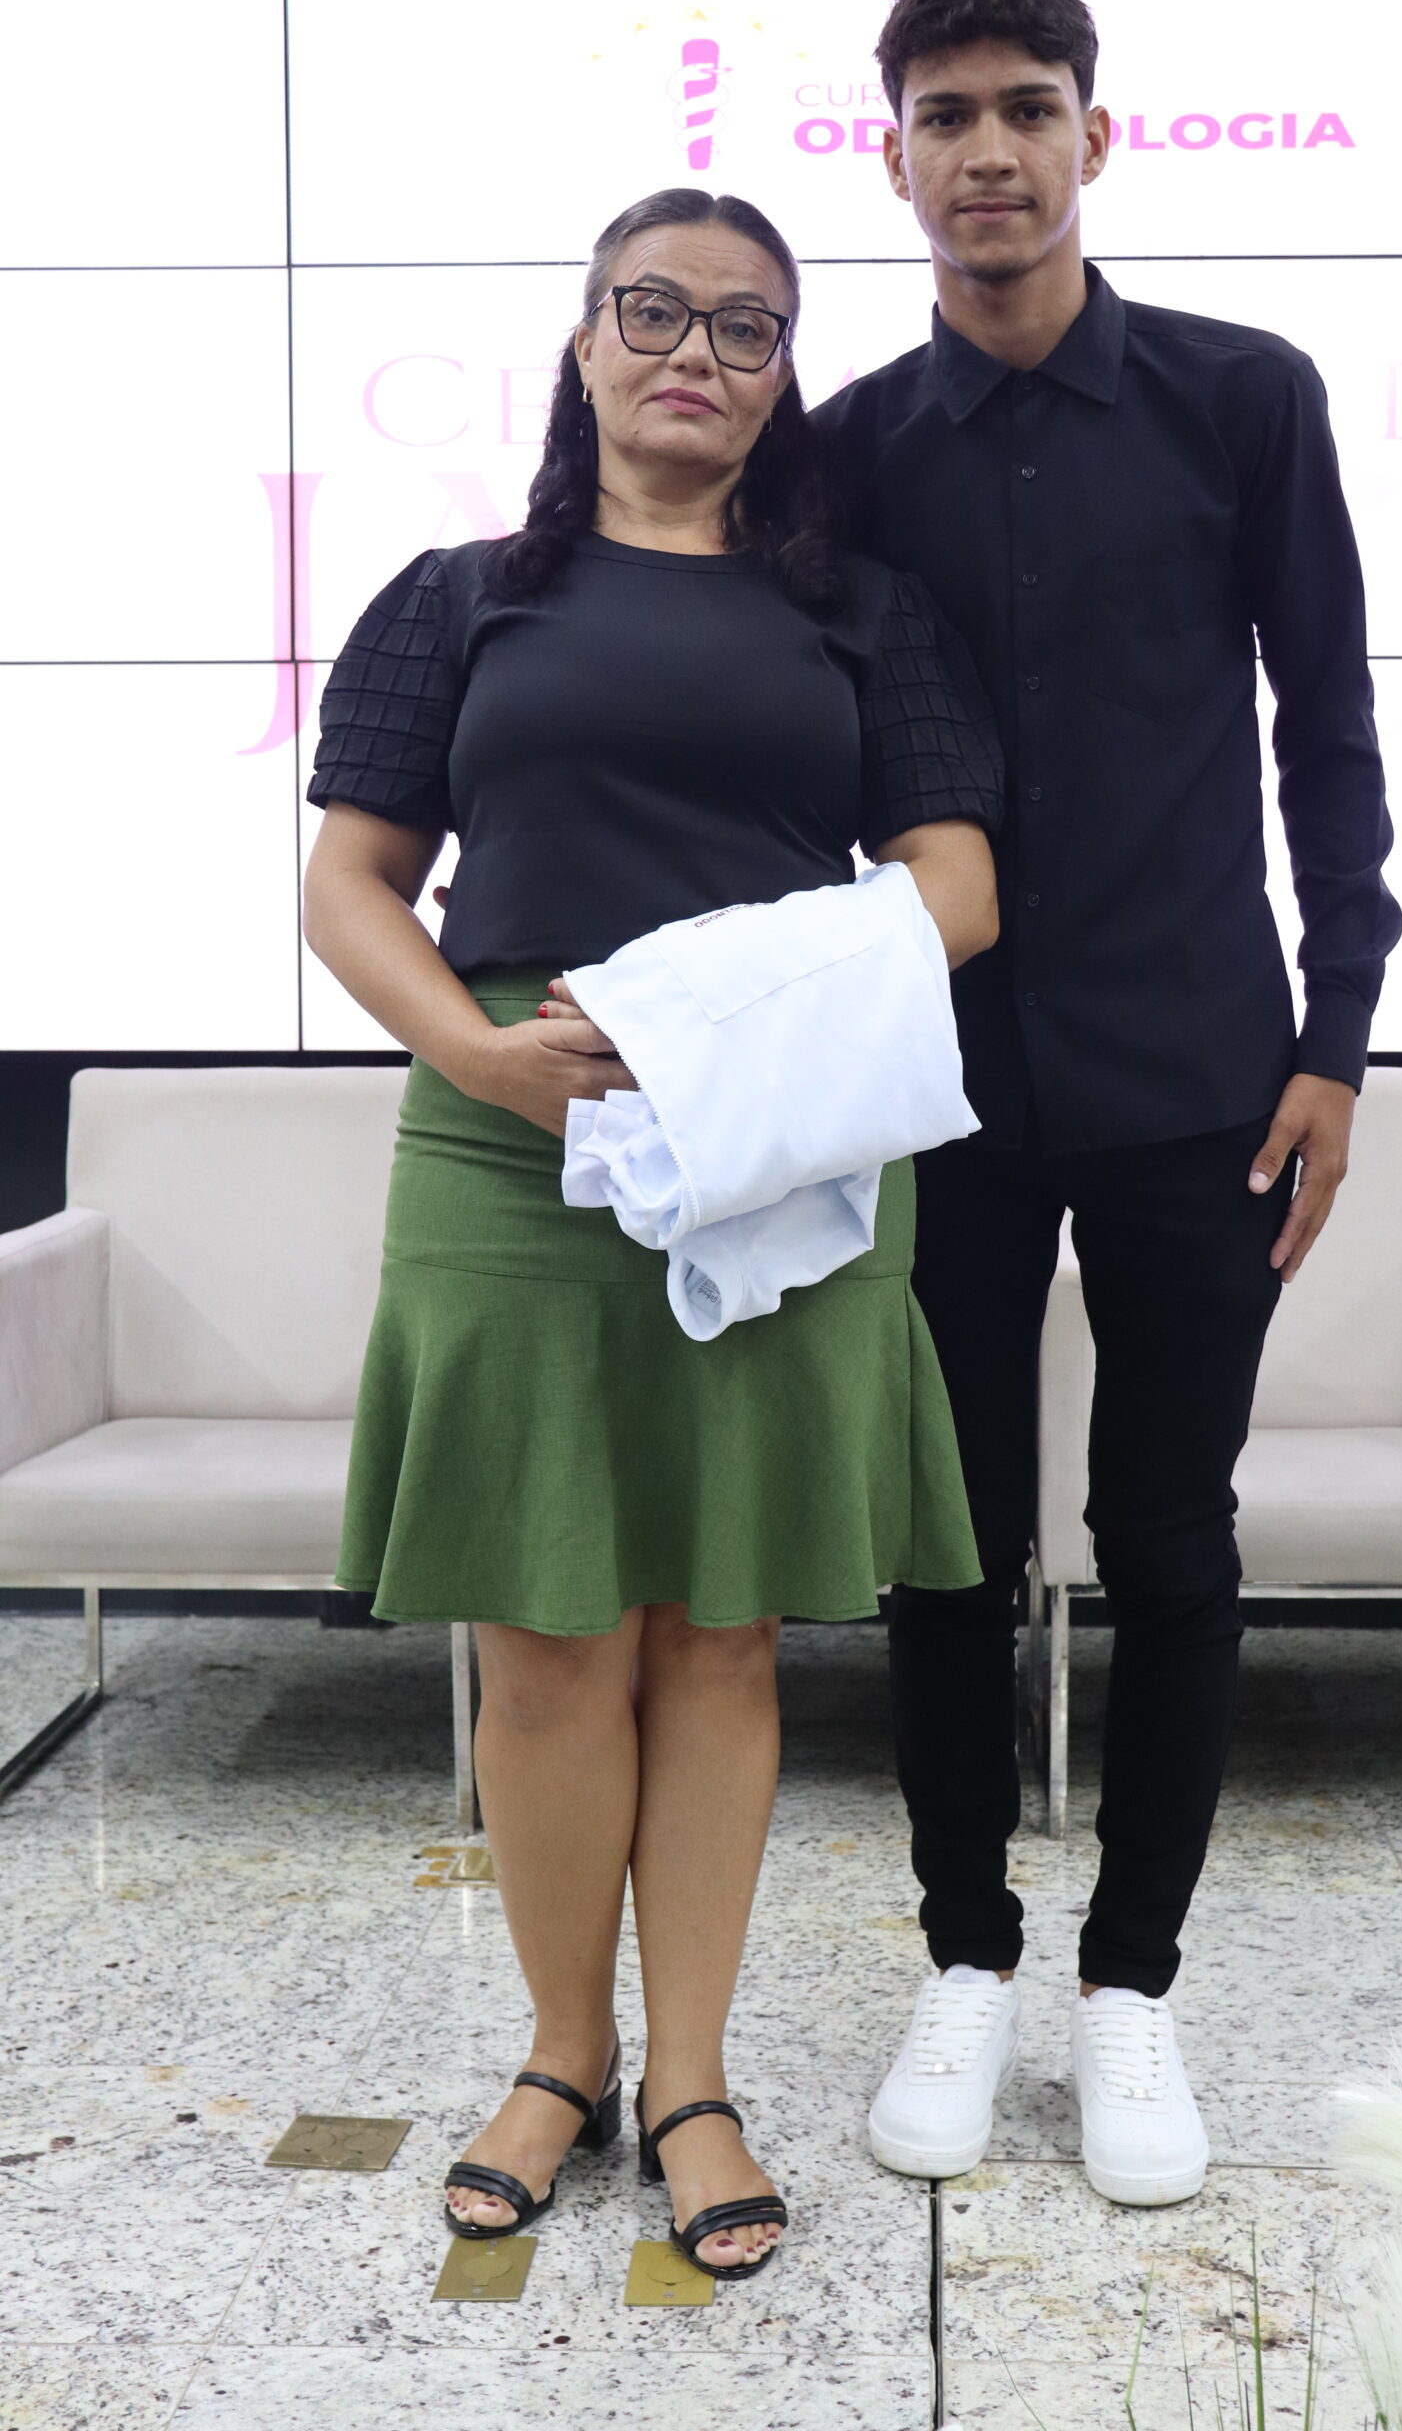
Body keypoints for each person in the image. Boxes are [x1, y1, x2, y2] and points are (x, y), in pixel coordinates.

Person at [300, 186, 1002, 2275]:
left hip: (780, 1138)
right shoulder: (457, 598)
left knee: (719, 1629)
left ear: (784, 374)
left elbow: (954, 894)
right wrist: (479, 1049)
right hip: (509, 1139)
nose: (696, 350)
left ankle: (691, 2078)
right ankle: (559, 2055)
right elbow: (348, 881)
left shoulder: (862, 610)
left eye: (746, 325)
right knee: (539, 1638)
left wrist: (711, 1020)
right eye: (654, 309)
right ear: (585, 337)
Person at [811, 0, 1402, 2206]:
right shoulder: (847, 450)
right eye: (944, 114)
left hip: (1197, 1074)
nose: (988, 149)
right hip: (935, 1089)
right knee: (947, 1545)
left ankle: (1131, 1979)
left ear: (1094, 133)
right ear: (892, 159)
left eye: (1024, 106)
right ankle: (966, 1955)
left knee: (1167, 1537)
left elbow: (1325, 730)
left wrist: (1335, 1041)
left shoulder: (1244, 399)